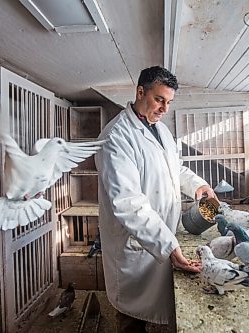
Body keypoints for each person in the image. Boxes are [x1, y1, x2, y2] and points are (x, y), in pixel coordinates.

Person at [95, 66, 216, 332]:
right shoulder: (116, 137)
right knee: (131, 317)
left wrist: (199, 185)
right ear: (141, 92)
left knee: (156, 311)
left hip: (160, 237)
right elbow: (128, 204)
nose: (165, 109)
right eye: (159, 99)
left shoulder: (160, 130)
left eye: (169, 102)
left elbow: (176, 167)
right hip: (135, 245)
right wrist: (168, 245)